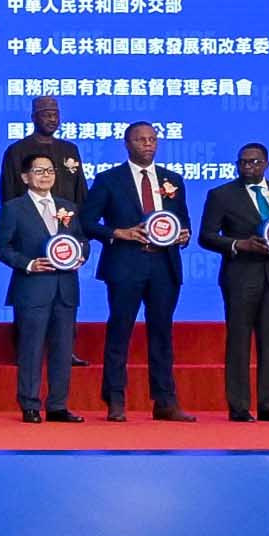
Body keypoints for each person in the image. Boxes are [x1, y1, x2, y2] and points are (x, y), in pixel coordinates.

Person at [85, 121, 191, 422]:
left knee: (162, 334)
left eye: (152, 139)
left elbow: (183, 222)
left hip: (164, 266)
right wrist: (118, 233)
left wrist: (183, 235)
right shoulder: (108, 179)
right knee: (120, 332)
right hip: (125, 264)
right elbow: (87, 222)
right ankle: (115, 399)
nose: (148, 144)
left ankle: (165, 401)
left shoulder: (172, 180)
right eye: (141, 139)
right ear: (127, 144)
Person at [200, 141, 269, 423]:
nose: (248, 166)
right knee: (239, 341)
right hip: (240, 276)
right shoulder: (221, 195)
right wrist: (239, 244)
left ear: (267, 164)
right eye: (243, 162)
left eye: (255, 161)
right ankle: (239, 406)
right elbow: (207, 236)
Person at [0, 153, 87, 424]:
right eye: (39, 171)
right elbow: (1, 247)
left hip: (65, 289)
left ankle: (58, 405)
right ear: (25, 177)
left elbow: (82, 241)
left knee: (63, 351)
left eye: (50, 170)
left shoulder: (68, 207)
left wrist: (81, 256)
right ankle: (30, 404)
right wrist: (29, 264)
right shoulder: (14, 208)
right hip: (32, 289)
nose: (45, 175)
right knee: (31, 349)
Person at [0, 94, 87, 208]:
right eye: (47, 115)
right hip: (29, 216)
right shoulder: (16, 151)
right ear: (34, 118)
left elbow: (80, 190)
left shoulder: (70, 149)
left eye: (56, 115)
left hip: (66, 216)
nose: (53, 119)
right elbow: (8, 192)